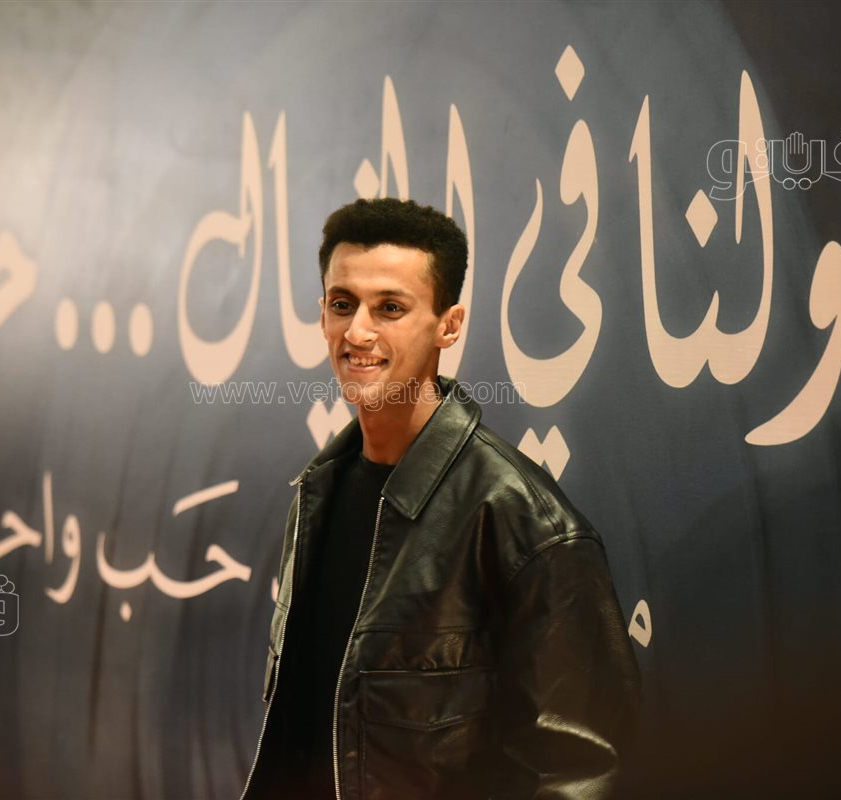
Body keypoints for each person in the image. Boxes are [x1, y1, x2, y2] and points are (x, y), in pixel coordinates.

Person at [241, 198, 640, 800]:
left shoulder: (525, 524)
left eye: (390, 308)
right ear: (322, 314)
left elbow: (582, 771)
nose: (357, 333)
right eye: (342, 304)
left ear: (448, 326)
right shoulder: (318, 492)